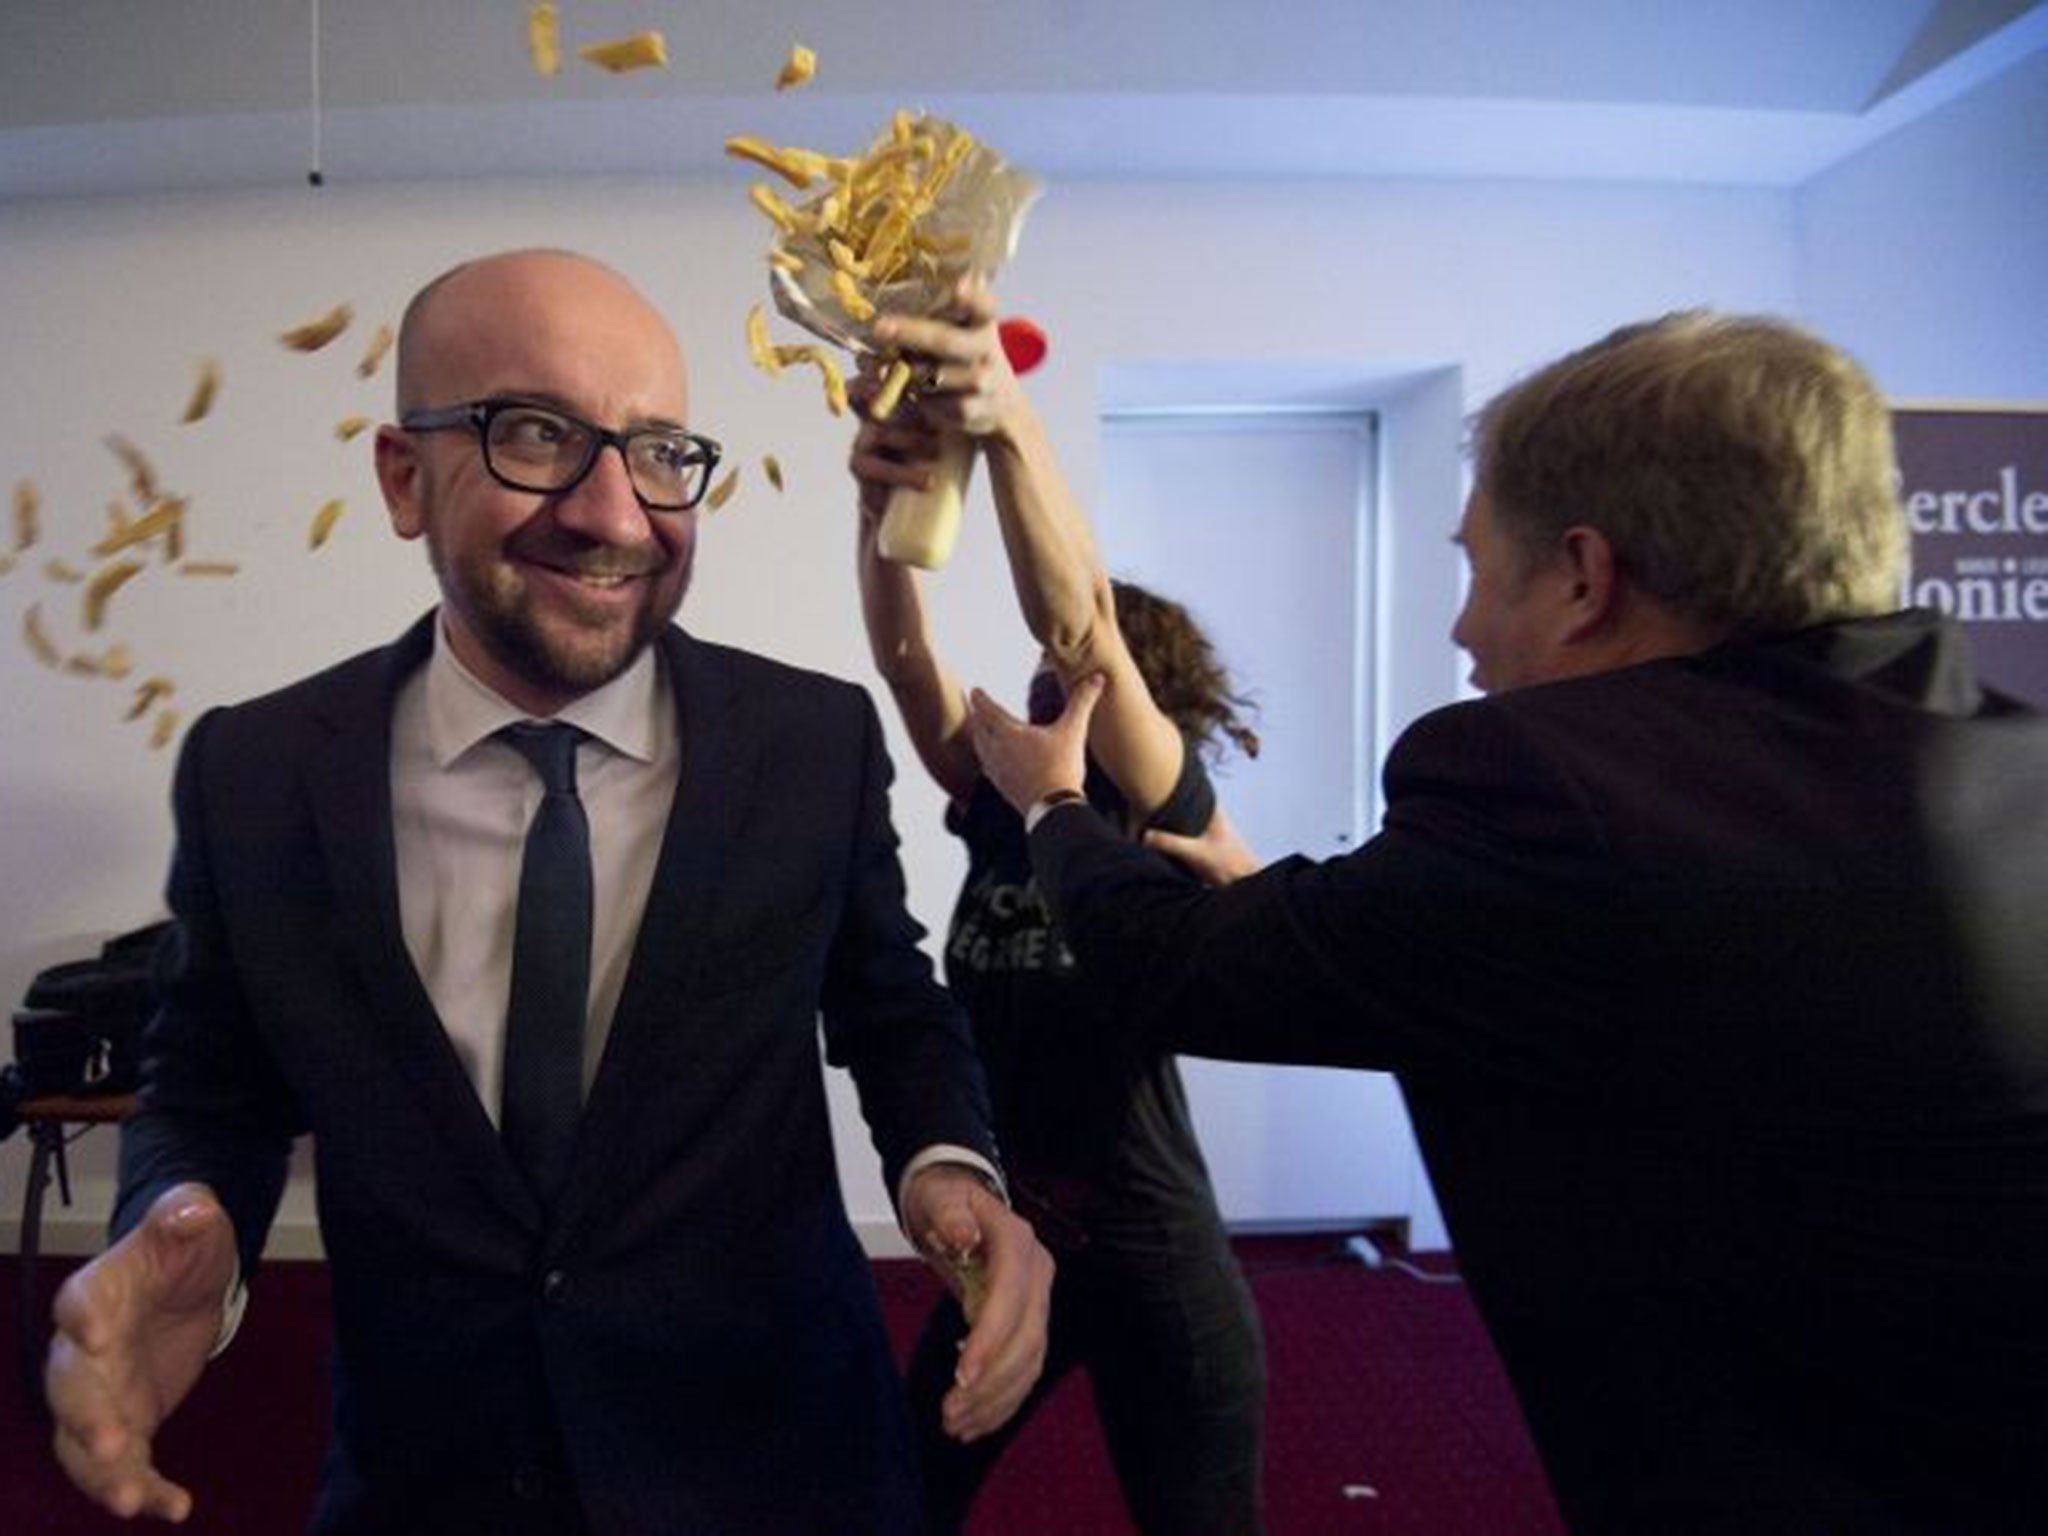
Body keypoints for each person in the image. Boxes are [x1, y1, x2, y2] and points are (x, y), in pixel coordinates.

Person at [967, 310, 2048, 1534]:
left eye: (1476, 569)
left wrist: (1050, 803)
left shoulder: (1553, 787)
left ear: (1586, 579)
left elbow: (1168, 964)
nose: (1459, 629)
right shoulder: (2011, 763)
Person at [43, 248, 1053, 1536]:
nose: (615, 514)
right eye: (535, 433)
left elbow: (887, 1006)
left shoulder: (812, 743)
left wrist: (947, 1169)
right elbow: (213, 1079)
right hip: (432, 1475)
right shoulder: (260, 772)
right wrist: (185, 1216)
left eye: (658, 452)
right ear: (402, 479)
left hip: (778, 1463)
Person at [848, 286, 1268, 1534]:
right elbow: (905, 661)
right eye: (1041, 682)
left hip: (1153, 1263)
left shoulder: (1154, 805)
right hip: (1010, 1244)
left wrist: (1006, 423)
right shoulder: (1000, 801)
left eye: (1069, 681)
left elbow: (1080, 622)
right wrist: (876, 514)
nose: (1048, 691)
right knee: (899, 1493)